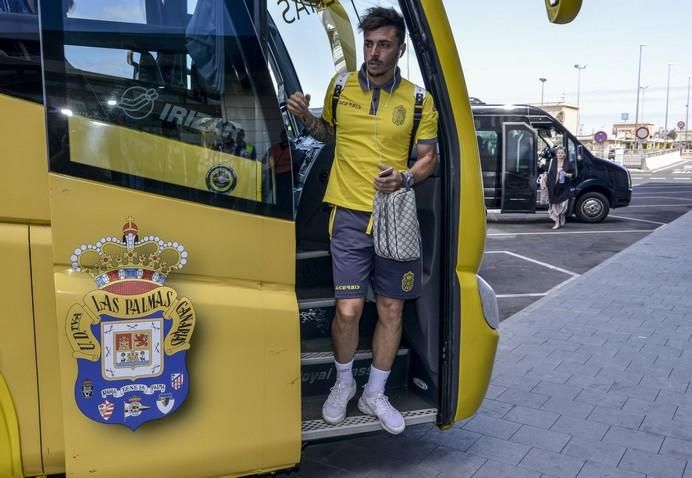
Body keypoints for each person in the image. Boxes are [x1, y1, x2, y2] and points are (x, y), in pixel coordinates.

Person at [287, 7, 437, 435]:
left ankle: (375, 392)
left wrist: (407, 175)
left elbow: (428, 158)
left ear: (399, 50)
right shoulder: (340, 87)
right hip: (348, 214)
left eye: (383, 45)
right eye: (368, 44)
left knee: (391, 308)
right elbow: (328, 135)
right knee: (348, 310)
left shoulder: (418, 100)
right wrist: (307, 119)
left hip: (394, 217)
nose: (373, 53)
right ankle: (343, 382)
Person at [546, 145, 574, 229]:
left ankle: (561, 215)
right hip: (552, 186)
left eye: (562, 153)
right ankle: (557, 222)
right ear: (556, 154)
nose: (560, 154)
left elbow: (573, 174)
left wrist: (566, 174)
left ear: (565, 154)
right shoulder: (552, 162)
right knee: (554, 205)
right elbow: (545, 172)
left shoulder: (568, 162)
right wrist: (544, 183)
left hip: (563, 187)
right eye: (558, 153)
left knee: (563, 205)